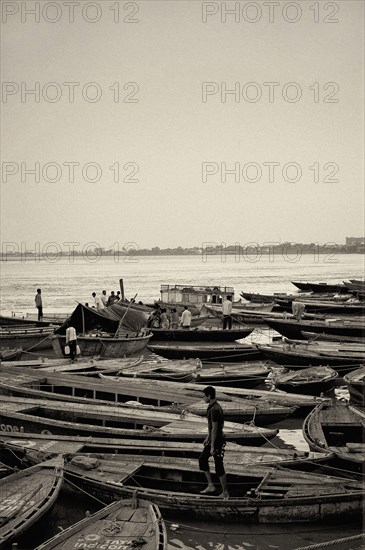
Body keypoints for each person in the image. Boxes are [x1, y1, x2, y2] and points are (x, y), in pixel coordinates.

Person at [199, 386, 229, 498]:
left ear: (209, 396)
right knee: (202, 459)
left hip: (217, 441)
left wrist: (212, 446)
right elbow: (212, 427)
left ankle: (225, 492)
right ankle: (211, 485)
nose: (203, 398)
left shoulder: (215, 409)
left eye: (204, 396)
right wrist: (208, 437)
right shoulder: (213, 407)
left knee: (219, 465)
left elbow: (215, 428)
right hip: (214, 439)